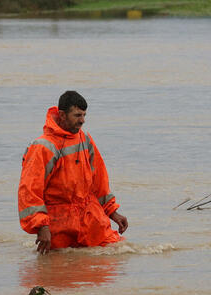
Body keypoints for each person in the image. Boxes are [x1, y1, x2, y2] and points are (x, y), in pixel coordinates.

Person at [18, 91, 128, 252]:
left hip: (91, 217)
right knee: (58, 272)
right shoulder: (42, 147)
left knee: (115, 260)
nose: (82, 120)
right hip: (59, 223)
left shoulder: (85, 139)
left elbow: (99, 181)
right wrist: (41, 226)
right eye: (77, 115)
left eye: (84, 115)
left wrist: (113, 212)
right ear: (62, 115)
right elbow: (29, 191)